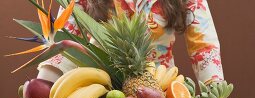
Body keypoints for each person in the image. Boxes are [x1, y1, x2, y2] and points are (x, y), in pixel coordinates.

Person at [37, 0, 224, 85]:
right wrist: (43, 86)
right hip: (99, 85)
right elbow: (65, 36)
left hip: (160, 87)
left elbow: (203, 46)